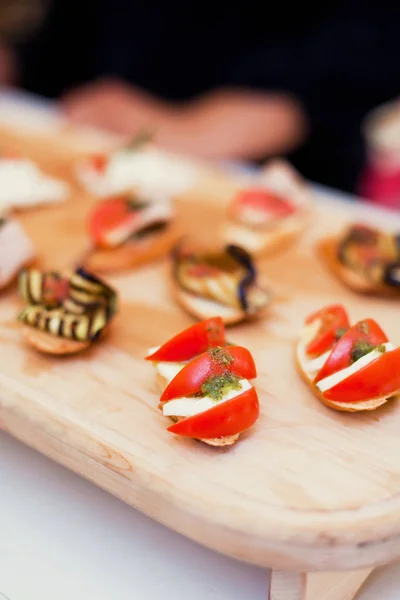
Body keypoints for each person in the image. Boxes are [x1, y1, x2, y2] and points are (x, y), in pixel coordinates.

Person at [3, 0, 400, 193]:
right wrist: (19, 60)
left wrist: (185, 130)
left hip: (271, 180)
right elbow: (61, 41)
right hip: (82, 149)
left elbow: (363, 52)